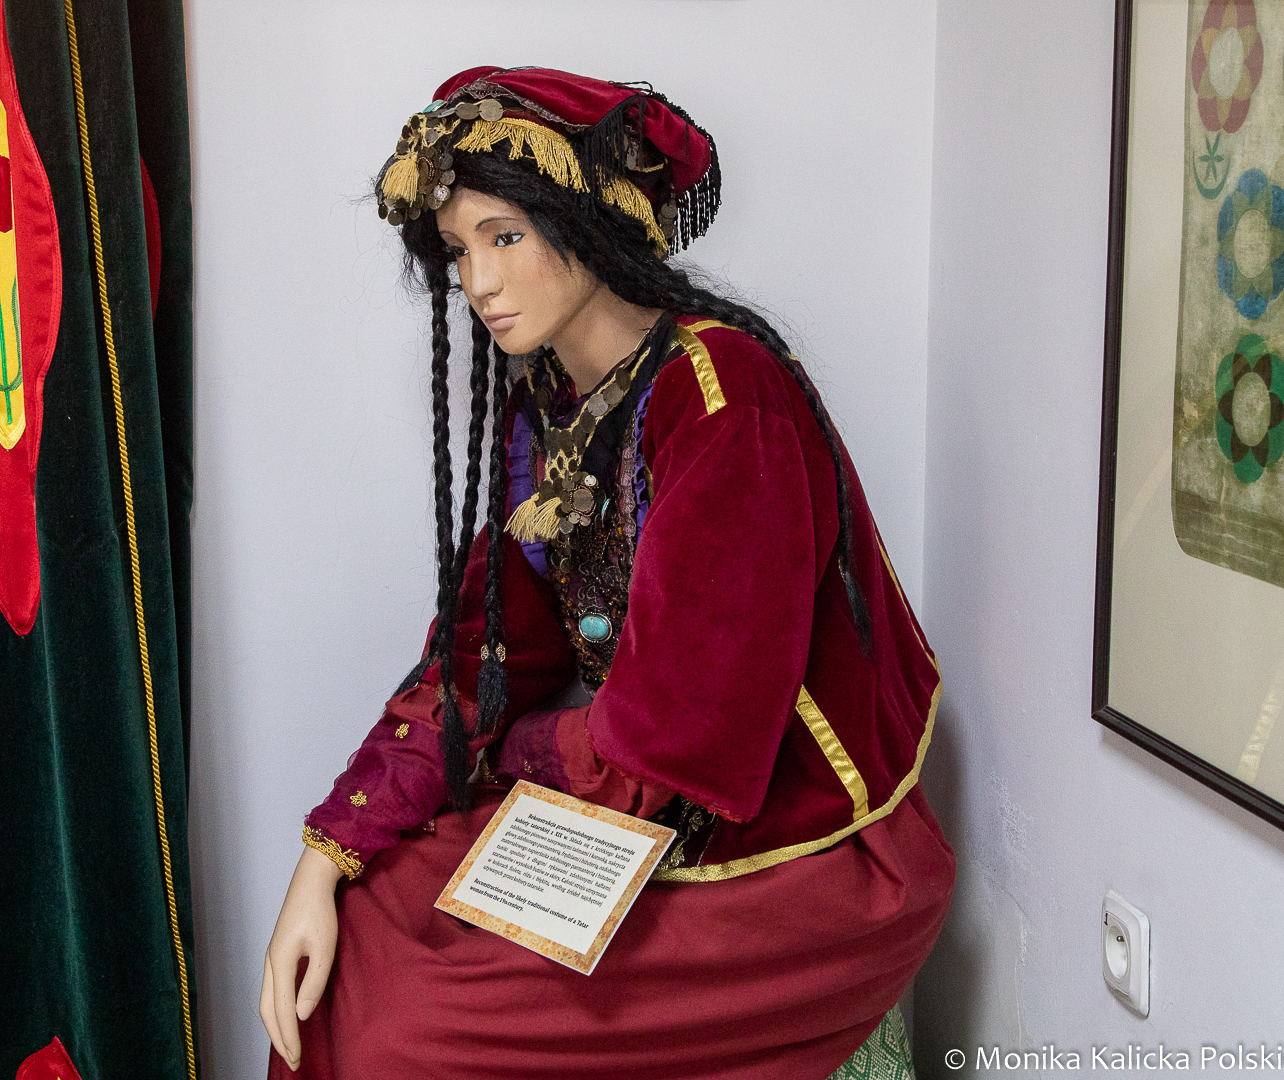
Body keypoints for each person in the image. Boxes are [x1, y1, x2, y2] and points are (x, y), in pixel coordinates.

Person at [261, 66, 953, 1080]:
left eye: (504, 237)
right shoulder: (547, 404)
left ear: (587, 217)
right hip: (635, 802)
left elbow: (678, 736)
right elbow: (482, 656)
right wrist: (328, 855)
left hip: (805, 854)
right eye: (458, 249)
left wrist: (495, 764)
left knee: (399, 1028)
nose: (478, 283)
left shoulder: (725, 401)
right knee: (364, 931)